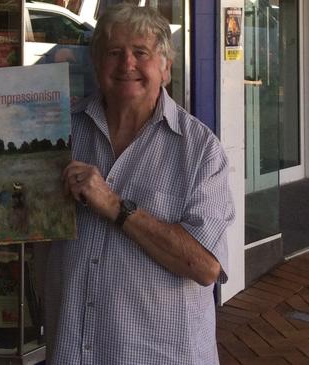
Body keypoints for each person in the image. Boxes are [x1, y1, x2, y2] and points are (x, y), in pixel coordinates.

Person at [45, 4, 234, 364]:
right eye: (114, 52)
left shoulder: (200, 150)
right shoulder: (61, 134)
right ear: (98, 64)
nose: (126, 64)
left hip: (158, 354)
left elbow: (206, 267)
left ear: (165, 67)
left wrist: (115, 206)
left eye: (140, 53)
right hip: (72, 348)